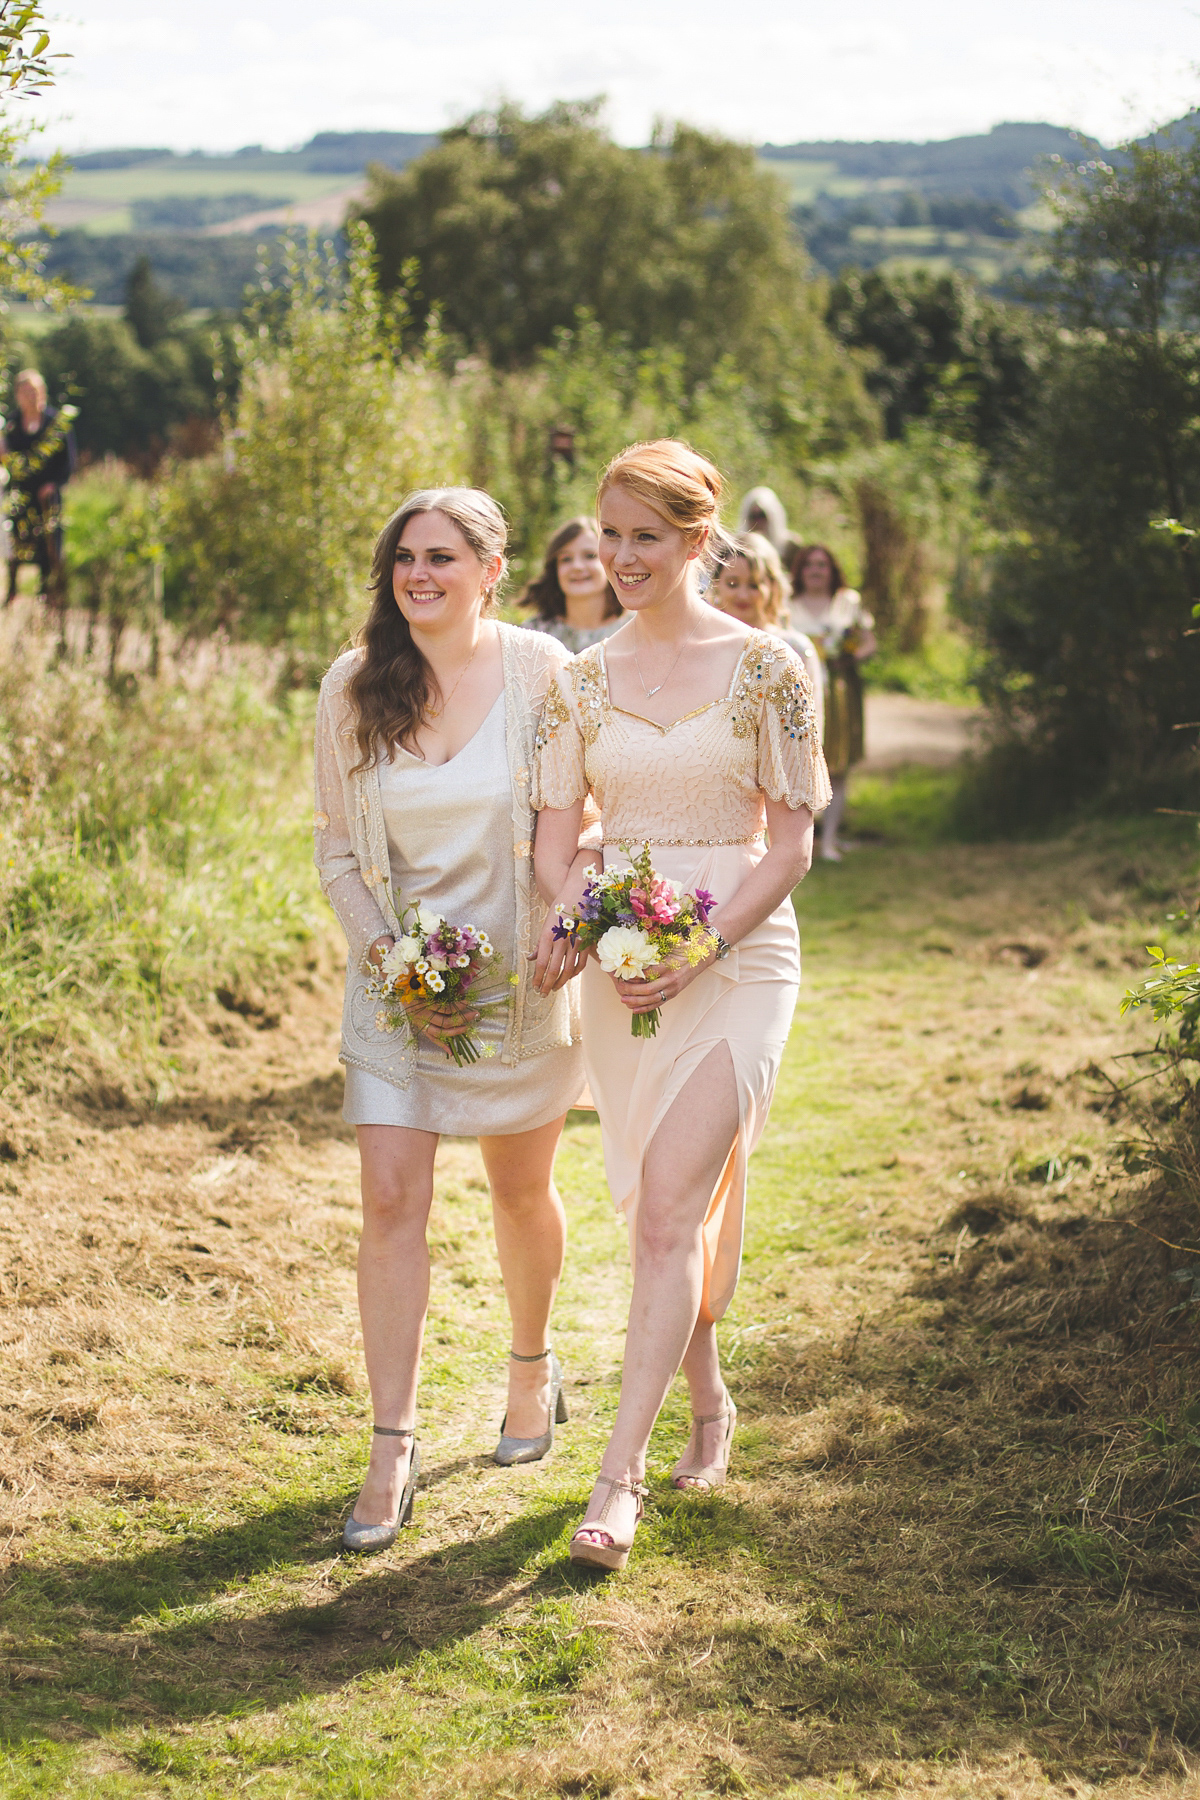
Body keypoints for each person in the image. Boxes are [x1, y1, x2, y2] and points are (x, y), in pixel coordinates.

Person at [532, 440, 831, 1571]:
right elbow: (560, 846)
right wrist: (577, 921)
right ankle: (708, 1395)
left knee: (666, 1211)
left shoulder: (771, 669)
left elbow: (792, 844)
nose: (619, 557)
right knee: (657, 1206)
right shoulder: (578, 680)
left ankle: (616, 1481)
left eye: (645, 537)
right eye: (609, 535)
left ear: (700, 542)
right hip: (625, 970)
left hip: (740, 957)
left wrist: (702, 943)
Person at [313, 486, 594, 1554]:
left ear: (489, 567)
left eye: (440, 557)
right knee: (390, 1200)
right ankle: (392, 1443)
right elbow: (336, 847)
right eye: (402, 560)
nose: (417, 576)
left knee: (522, 1193)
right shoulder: (352, 686)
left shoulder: (545, 675)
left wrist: (565, 920)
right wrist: (393, 962)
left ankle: (531, 1369)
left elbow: (582, 824)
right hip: (396, 988)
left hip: (519, 986)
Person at [788, 544, 876, 863]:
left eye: (822, 565)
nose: (815, 570)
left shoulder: (847, 603)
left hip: (839, 691)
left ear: (832, 570)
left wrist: (848, 655)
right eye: (809, 564)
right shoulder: (787, 603)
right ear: (800, 570)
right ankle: (798, 843)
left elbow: (869, 642)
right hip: (799, 692)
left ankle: (830, 840)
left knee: (837, 765)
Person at [711, 531, 825, 743]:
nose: (743, 595)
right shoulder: (702, 646)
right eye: (733, 583)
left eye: (754, 585)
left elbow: (810, 736)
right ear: (717, 584)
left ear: (771, 587)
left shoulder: (795, 649)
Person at [2, 370, 77, 615]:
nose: (30, 395)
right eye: (24, 391)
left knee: (49, 545)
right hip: (20, 493)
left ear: (42, 392)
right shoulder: (11, 425)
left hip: (47, 495)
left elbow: (68, 461)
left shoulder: (56, 423)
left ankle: (49, 594)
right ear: (18, 395)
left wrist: (54, 484)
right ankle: (12, 591)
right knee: (16, 541)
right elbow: (7, 459)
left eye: (34, 390)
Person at [519, 515, 624, 654]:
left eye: (589, 556)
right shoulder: (532, 635)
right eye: (566, 559)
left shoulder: (638, 629)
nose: (577, 566)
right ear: (555, 569)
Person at [736, 486, 802, 570]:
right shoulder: (738, 547)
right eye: (753, 516)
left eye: (762, 515)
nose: (758, 522)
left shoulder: (790, 546)